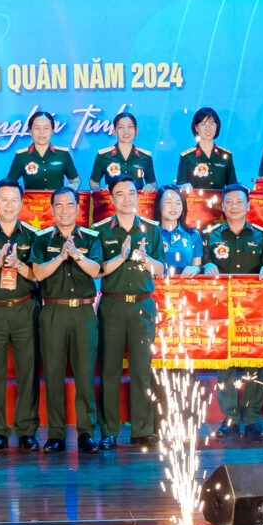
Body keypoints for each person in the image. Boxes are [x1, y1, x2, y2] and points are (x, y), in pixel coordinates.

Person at [87, 175, 168, 451]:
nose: (126, 198)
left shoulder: (151, 229)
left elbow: (161, 269)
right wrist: (120, 257)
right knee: (109, 369)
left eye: (131, 192)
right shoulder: (101, 230)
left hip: (143, 306)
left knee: (142, 369)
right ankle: (108, 431)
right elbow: (97, 269)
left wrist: (146, 259)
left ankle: (142, 430)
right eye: (120, 194)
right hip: (112, 305)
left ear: (137, 195)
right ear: (111, 199)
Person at [27, 186, 101, 452]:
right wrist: (61, 257)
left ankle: (86, 432)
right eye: (58, 205)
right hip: (53, 312)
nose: (64, 210)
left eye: (70, 205)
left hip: (83, 312)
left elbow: (96, 270)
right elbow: (38, 274)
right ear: (52, 209)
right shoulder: (41, 239)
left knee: (85, 375)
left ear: (78, 208)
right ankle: (56, 434)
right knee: (54, 374)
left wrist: (77, 254)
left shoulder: (91, 238)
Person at [196, 184, 263, 439]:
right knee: (225, 362)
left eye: (239, 202)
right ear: (223, 206)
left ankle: (252, 417)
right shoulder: (211, 236)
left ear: (248, 205)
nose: (234, 206)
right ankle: (230, 416)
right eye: (229, 202)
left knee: (254, 360)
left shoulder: (262, 236)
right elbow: (202, 263)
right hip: (222, 308)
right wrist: (206, 268)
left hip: (253, 308)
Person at [0, 181, 43, 451]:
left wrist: (19, 265)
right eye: (3, 199)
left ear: (21, 203)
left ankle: (27, 431)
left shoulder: (33, 236)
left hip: (25, 308)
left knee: (28, 371)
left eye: (14, 200)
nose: (8, 205)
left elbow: (39, 275)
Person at [6, 111, 76, 191]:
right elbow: (9, 182)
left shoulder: (63, 154)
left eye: (46, 128)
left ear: (52, 131)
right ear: (30, 131)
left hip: (57, 199)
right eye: (37, 128)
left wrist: (74, 185)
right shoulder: (21, 156)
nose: (41, 132)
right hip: (31, 199)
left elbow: (75, 179)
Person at [174, 106, 235, 192]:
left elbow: (233, 186)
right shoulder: (187, 157)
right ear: (196, 128)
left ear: (217, 127)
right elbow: (179, 187)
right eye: (203, 124)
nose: (208, 128)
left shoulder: (226, 155)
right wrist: (183, 186)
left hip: (221, 200)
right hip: (195, 200)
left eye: (212, 124)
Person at [92, 110, 153, 189]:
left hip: (137, 197)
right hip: (112, 197)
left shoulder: (145, 157)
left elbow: (152, 183)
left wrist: (150, 187)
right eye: (121, 127)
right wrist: (102, 190)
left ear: (136, 130)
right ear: (114, 131)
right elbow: (94, 183)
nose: (126, 131)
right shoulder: (103, 156)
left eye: (130, 126)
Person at [152, 185, 202, 276]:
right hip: (157, 285)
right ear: (159, 205)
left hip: (185, 285)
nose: (174, 207)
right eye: (168, 202)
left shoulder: (193, 235)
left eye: (178, 203)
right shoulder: (150, 234)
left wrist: (195, 269)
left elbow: (197, 266)